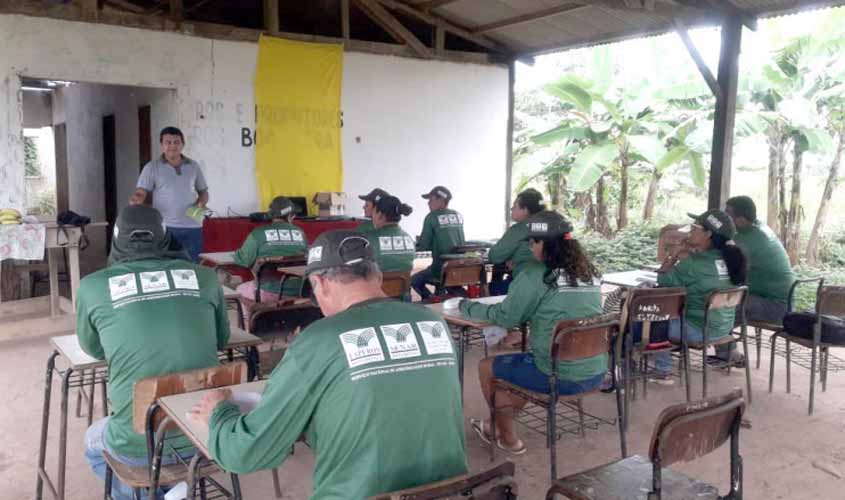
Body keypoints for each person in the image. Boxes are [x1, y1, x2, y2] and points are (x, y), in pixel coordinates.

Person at [189, 230, 467, 498]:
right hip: (451, 492)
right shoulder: (434, 322)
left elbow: (245, 453)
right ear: (378, 275)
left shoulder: (320, 338)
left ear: (320, 283)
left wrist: (219, 412)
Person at [76, 205, 230, 500]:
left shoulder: (92, 287)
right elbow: (222, 339)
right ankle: (174, 491)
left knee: (93, 443)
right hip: (208, 432)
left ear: (117, 239)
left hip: (139, 443)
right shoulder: (207, 278)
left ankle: (158, 495)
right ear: (164, 237)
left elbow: (94, 349)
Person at [463, 211, 605, 454]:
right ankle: (496, 424)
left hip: (557, 375)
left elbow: (507, 316)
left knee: (488, 366)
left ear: (546, 245)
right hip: (596, 371)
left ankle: (507, 437)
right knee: (519, 367)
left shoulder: (535, 274)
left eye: (534, 242)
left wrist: (467, 305)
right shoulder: (589, 273)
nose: (530, 247)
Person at [651, 209, 748, 382]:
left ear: (708, 234)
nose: (690, 231)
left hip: (698, 331)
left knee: (652, 317)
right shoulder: (731, 260)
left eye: (695, 228)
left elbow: (663, 279)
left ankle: (662, 370)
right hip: (723, 329)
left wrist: (673, 254)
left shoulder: (695, 264)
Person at [130, 126, 209, 262]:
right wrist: (137, 199)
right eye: (168, 142)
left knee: (192, 267)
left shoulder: (193, 166)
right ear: (162, 145)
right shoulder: (152, 167)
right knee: (166, 267)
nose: (172, 146)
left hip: (193, 227)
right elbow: (141, 191)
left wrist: (200, 205)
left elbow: (203, 192)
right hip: (165, 227)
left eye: (176, 142)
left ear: (183, 144)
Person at [726, 196, 795, 323]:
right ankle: (723, 339)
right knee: (725, 302)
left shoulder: (753, 239)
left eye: (728, 214)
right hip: (766, 298)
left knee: (723, 306)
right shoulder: (754, 227)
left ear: (741, 219)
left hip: (775, 306)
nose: (724, 218)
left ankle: (724, 341)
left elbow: (722, 262)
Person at [233, 196, 308, 309]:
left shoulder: (258, 234)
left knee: (239, 290)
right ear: (289, 216)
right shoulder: (300, 233)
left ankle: (252, 322)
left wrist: (237, 254)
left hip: (268, 290)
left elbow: (243, 260)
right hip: (300, 289)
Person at [412, 186, 466, 300]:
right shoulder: (458, 215)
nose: (428, 203)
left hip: (441, 268)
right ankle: (441, 296)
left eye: (431, 199)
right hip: (461, 267)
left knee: (414, 280)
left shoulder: (431, 217)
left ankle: (431, 300)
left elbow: (423, 246)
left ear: (441, 200)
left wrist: (418, 242)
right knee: (448, 283)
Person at [488, 188, 545, 295]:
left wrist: (517, 263)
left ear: (525, 209)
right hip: (553, 283)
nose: (511, 209)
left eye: (515, 206)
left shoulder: (519, 229)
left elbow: (494, 256)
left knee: (494, 287)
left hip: (526, 285)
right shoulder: (551, 225)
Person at [365, 195, 416, 274]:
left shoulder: (367, 239)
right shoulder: (409, 239)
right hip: (403, 285)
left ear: (380, 215)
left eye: (374, 212)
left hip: (376, 285)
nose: (372, 216)